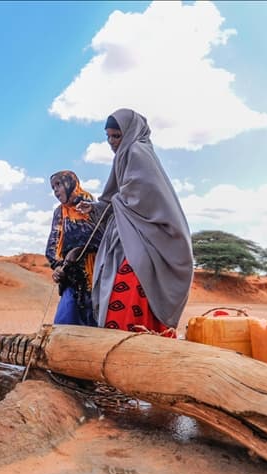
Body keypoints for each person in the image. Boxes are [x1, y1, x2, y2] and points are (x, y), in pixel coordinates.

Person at [76, 108, 193, 337]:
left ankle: (133, 343)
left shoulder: (137, 151)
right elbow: (114, 197)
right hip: (126, 235)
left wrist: (117, 201)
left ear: (129, 133)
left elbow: (144, 194)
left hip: (147, 237)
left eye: (116, 136)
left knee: (133, 281)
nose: (111, 142)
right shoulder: (123, 156)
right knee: (117, 287)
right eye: (108, 136)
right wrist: (95, 207)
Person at [45, 170, 104, 326]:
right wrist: (58, 266)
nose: (55, 190)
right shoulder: (60, 212)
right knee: (64, 322)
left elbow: (104, 237)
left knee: (97, 324)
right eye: (53, 187)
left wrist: (81, 249)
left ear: (71, 182)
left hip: (97, 274)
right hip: (72, 276)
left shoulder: (90, 206)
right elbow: (53, 243)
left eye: (58, 184)